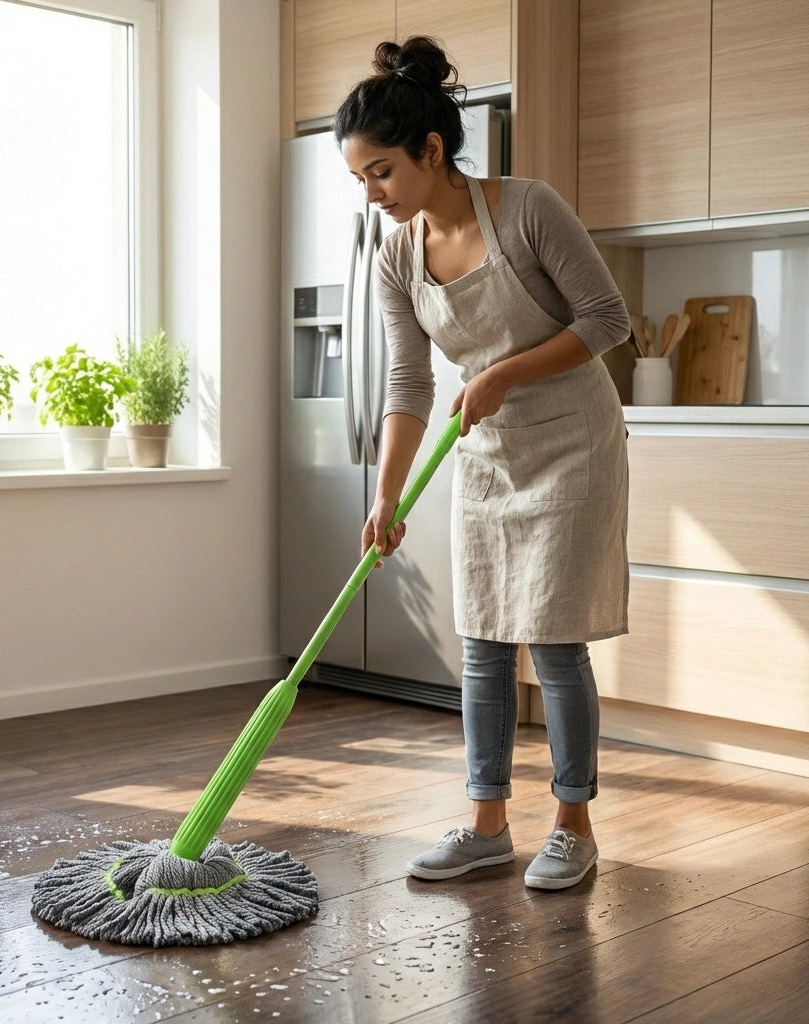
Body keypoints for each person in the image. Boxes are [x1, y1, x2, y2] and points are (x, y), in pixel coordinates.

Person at [334, 37, 630, 891]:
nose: (373, 195)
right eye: (360, 180)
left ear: (432, 151)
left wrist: (503, 370)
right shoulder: (396, 256)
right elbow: (407, 382)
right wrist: (385, 495)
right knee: (483, 644)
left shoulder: (529, 209)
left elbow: (607, 320)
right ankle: (487, 825)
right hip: (489, 449)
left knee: (554, 640)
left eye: (382, 173)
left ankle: (573, 825)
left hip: (572, 441)